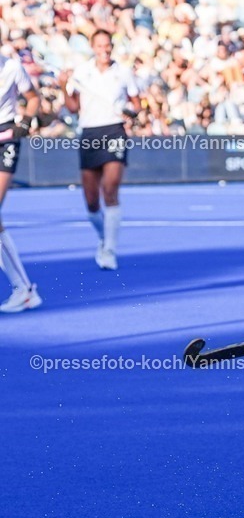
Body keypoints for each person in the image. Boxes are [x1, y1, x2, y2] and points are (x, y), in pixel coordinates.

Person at [59, 30, 140, 271]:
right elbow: (73, 107)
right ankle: (104, 237)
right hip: (90, 133)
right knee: (92, 201)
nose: (104, 50)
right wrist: (64, 87)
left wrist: (130, 112)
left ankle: (110, 250)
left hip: (115, 131)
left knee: (110, 188)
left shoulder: (123, 72)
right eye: (100, 45)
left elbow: (136, 105)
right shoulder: (82, 72)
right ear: (93, 47)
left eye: (108, 45)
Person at [0, 51, 41, 313]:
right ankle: (22, 288)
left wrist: (24, 122)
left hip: (5, 140)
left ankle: (24, 289)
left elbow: (33, 97)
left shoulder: (12, 67)